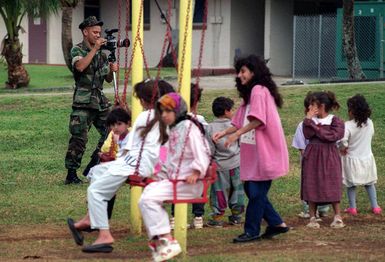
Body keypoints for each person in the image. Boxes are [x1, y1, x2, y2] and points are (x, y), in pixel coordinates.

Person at [67, 79, 168, 253]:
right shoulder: (162, 116)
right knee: (96, 172)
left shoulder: (146, 116)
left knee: (95, 190)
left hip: (136, 164)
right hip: (134, 162)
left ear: (144, 99)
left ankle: (105, 236)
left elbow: (133, 146)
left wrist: (118, 154)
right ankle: (90, 218)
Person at [213, 55, 289, 243]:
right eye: (239, 72)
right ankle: (276, 224)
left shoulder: (259, 90)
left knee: (255, 193)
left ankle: (252, 231)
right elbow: (239, 122)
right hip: (254, 153)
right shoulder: (250, 94)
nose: (240, 75)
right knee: (251, 189)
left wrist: (235, 136)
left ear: (253, 72)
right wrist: (223, 133)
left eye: (243, 71)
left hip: (266, 152)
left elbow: (257, 120)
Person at [139, 92, 210, 262]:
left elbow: (202, 152)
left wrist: (196, 172)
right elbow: (171, 160)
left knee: (148, 199)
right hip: (176, 181)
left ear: (178, 111)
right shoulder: (174, 129)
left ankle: (165, 240)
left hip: (190, 182)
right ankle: (163, 241)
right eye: (162, 112)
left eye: (168, 111)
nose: (164, 115)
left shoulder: (189, 127)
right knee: (146, 195)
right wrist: (158, 175)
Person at [64, 16, 119, 184]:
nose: (98, 35)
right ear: (85, 32)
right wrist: (94, 49)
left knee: (113, 130)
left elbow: (108, 79)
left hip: (99, 100)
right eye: (94, 32)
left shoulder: (102, 54)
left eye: (99, 32)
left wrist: (112, 70)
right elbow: (80, 67)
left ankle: (94, 163)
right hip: (83, 100)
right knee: (79, 138)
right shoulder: (77, 50)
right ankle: (71, 174)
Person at [301, 91, 345, 229]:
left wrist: (314, 127)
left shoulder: (335, 120)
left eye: (313, 105)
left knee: (332, 182)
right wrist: (309, 122)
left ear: (322, 106)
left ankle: (337, 216)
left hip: (329, 155)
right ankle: (312, 216)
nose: (310, 108)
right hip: (312, 154)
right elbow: (307, 134)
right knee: (311, 182)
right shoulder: (308, 121)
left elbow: (331, 136)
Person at [339, 94, 381, 215]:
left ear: (351, 111)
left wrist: (342, 148)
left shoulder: (347, 125)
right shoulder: (370, 123)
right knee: (370, 183)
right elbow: (370, 135)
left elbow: (343, 142)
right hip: (367, 158)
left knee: (351, 184)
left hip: (351, 159)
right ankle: (375, 206)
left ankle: (353, 208)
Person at [206, 96, 244, 227]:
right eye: (232, 109)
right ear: (227, 111)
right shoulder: (235, 126)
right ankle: (236, 216)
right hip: (236, 163)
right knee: (237, 191)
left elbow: (209, 149)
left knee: (219, 192)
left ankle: (217, 218)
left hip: (219, 166)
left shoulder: (209, 128)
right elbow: (240, 143)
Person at [292, 96, 329, 219]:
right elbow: (302, 147)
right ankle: (309, 209)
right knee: (309, 184)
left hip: (322, 160)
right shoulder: (302, 125)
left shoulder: (325, 122)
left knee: (322, 182)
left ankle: (323, 208)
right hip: (309, 161)